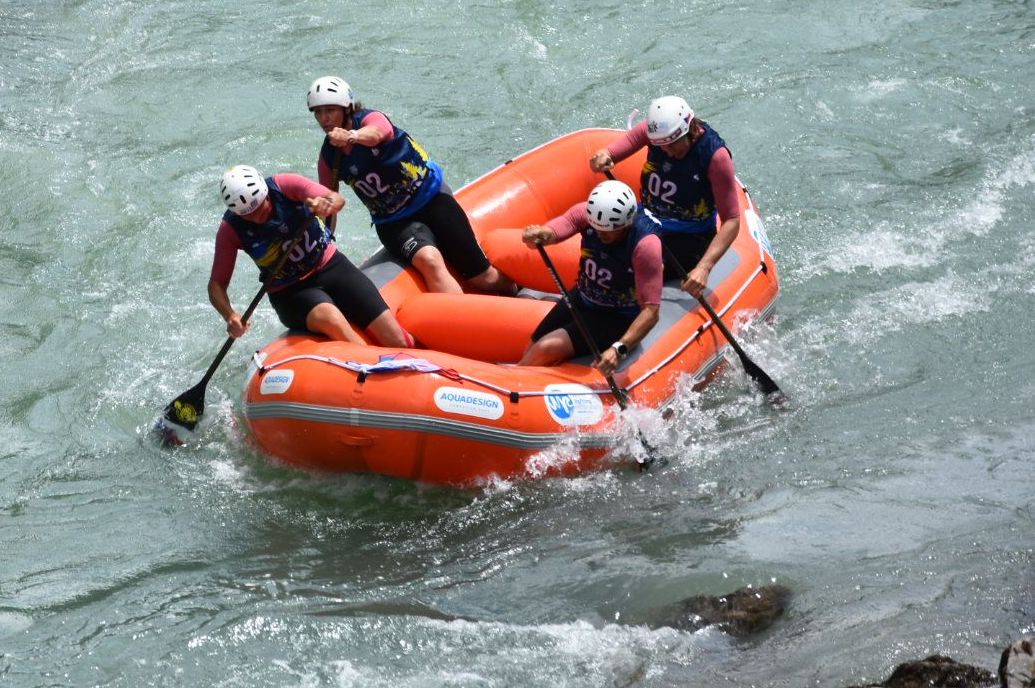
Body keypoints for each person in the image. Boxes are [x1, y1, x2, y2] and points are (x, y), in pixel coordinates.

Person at [306, 75, 515, 295]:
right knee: (430, 260)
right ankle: (467, 323)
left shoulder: (370, 119)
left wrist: (351, 136)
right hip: (393, 222)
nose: (324, 118)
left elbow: (378, 133)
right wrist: (323, 249)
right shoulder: (328, 158)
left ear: (346, 108)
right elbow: (329, 205)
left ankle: (520, 291)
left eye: (330, 110)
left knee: (484, 278)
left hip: (432, 199)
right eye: (318, 113)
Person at [210, 165, 413, 348]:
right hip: (290, 292)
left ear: (265, 194)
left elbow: (336, 199)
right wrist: (230, 315)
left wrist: (326, 203)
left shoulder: (284, 185)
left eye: (259, 208)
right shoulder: (230, 229)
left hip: (331, 266)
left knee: (395, 337)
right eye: (247, 215)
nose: (256, 217)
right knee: (330, 318)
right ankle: (371, 365)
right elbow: (216, 284)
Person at [589, 96, 740, 299]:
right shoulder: (656, 136)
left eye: (672, 144)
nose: (666, 151)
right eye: (660, 145)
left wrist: (704, 267)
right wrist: (604, 155)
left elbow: (732, 220)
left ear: (688, 130)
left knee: (628, 271)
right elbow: (612, 151)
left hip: (689, 239)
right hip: (646, 224)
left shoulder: (715, 156)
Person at [518, 180, 663, 377]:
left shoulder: (646, 245)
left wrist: (619, 348)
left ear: (626, 224)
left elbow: (651, 311)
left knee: (546, 347)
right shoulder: (590, 214)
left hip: (618, 316)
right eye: (596, 227)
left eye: (608, 230)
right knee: (532, 346)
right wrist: (543, 233)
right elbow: (565, 224)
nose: (600, 233)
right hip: (583, 297)